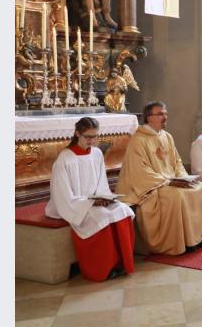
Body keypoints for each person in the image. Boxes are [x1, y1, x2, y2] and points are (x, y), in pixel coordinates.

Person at [117, 101, 202, 255]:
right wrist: (168, 181)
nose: (165, 117)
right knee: (176, 196)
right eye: (160, 114)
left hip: (171, 180)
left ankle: (198, 237)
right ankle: (182, 241)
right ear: (149, 118)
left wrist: (184, 178)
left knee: (201, 188)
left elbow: (177, 162)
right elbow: (140, 171)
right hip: (152, 186)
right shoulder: (138, 140)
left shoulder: (167, 136)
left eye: (165, 113)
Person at [45, 117, 135, 281]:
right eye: (88, 137)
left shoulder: (96, 153)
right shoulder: (65, 158)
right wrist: (89, 203)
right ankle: (102, 270)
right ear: (77, 133)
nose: (92, 141)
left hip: (95, 199)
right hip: (74, 204)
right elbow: (62, 193)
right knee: (102, 216)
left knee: (123, 210)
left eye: (95, 137)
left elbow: (101, 183)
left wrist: (104, 198)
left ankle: (122, 263)